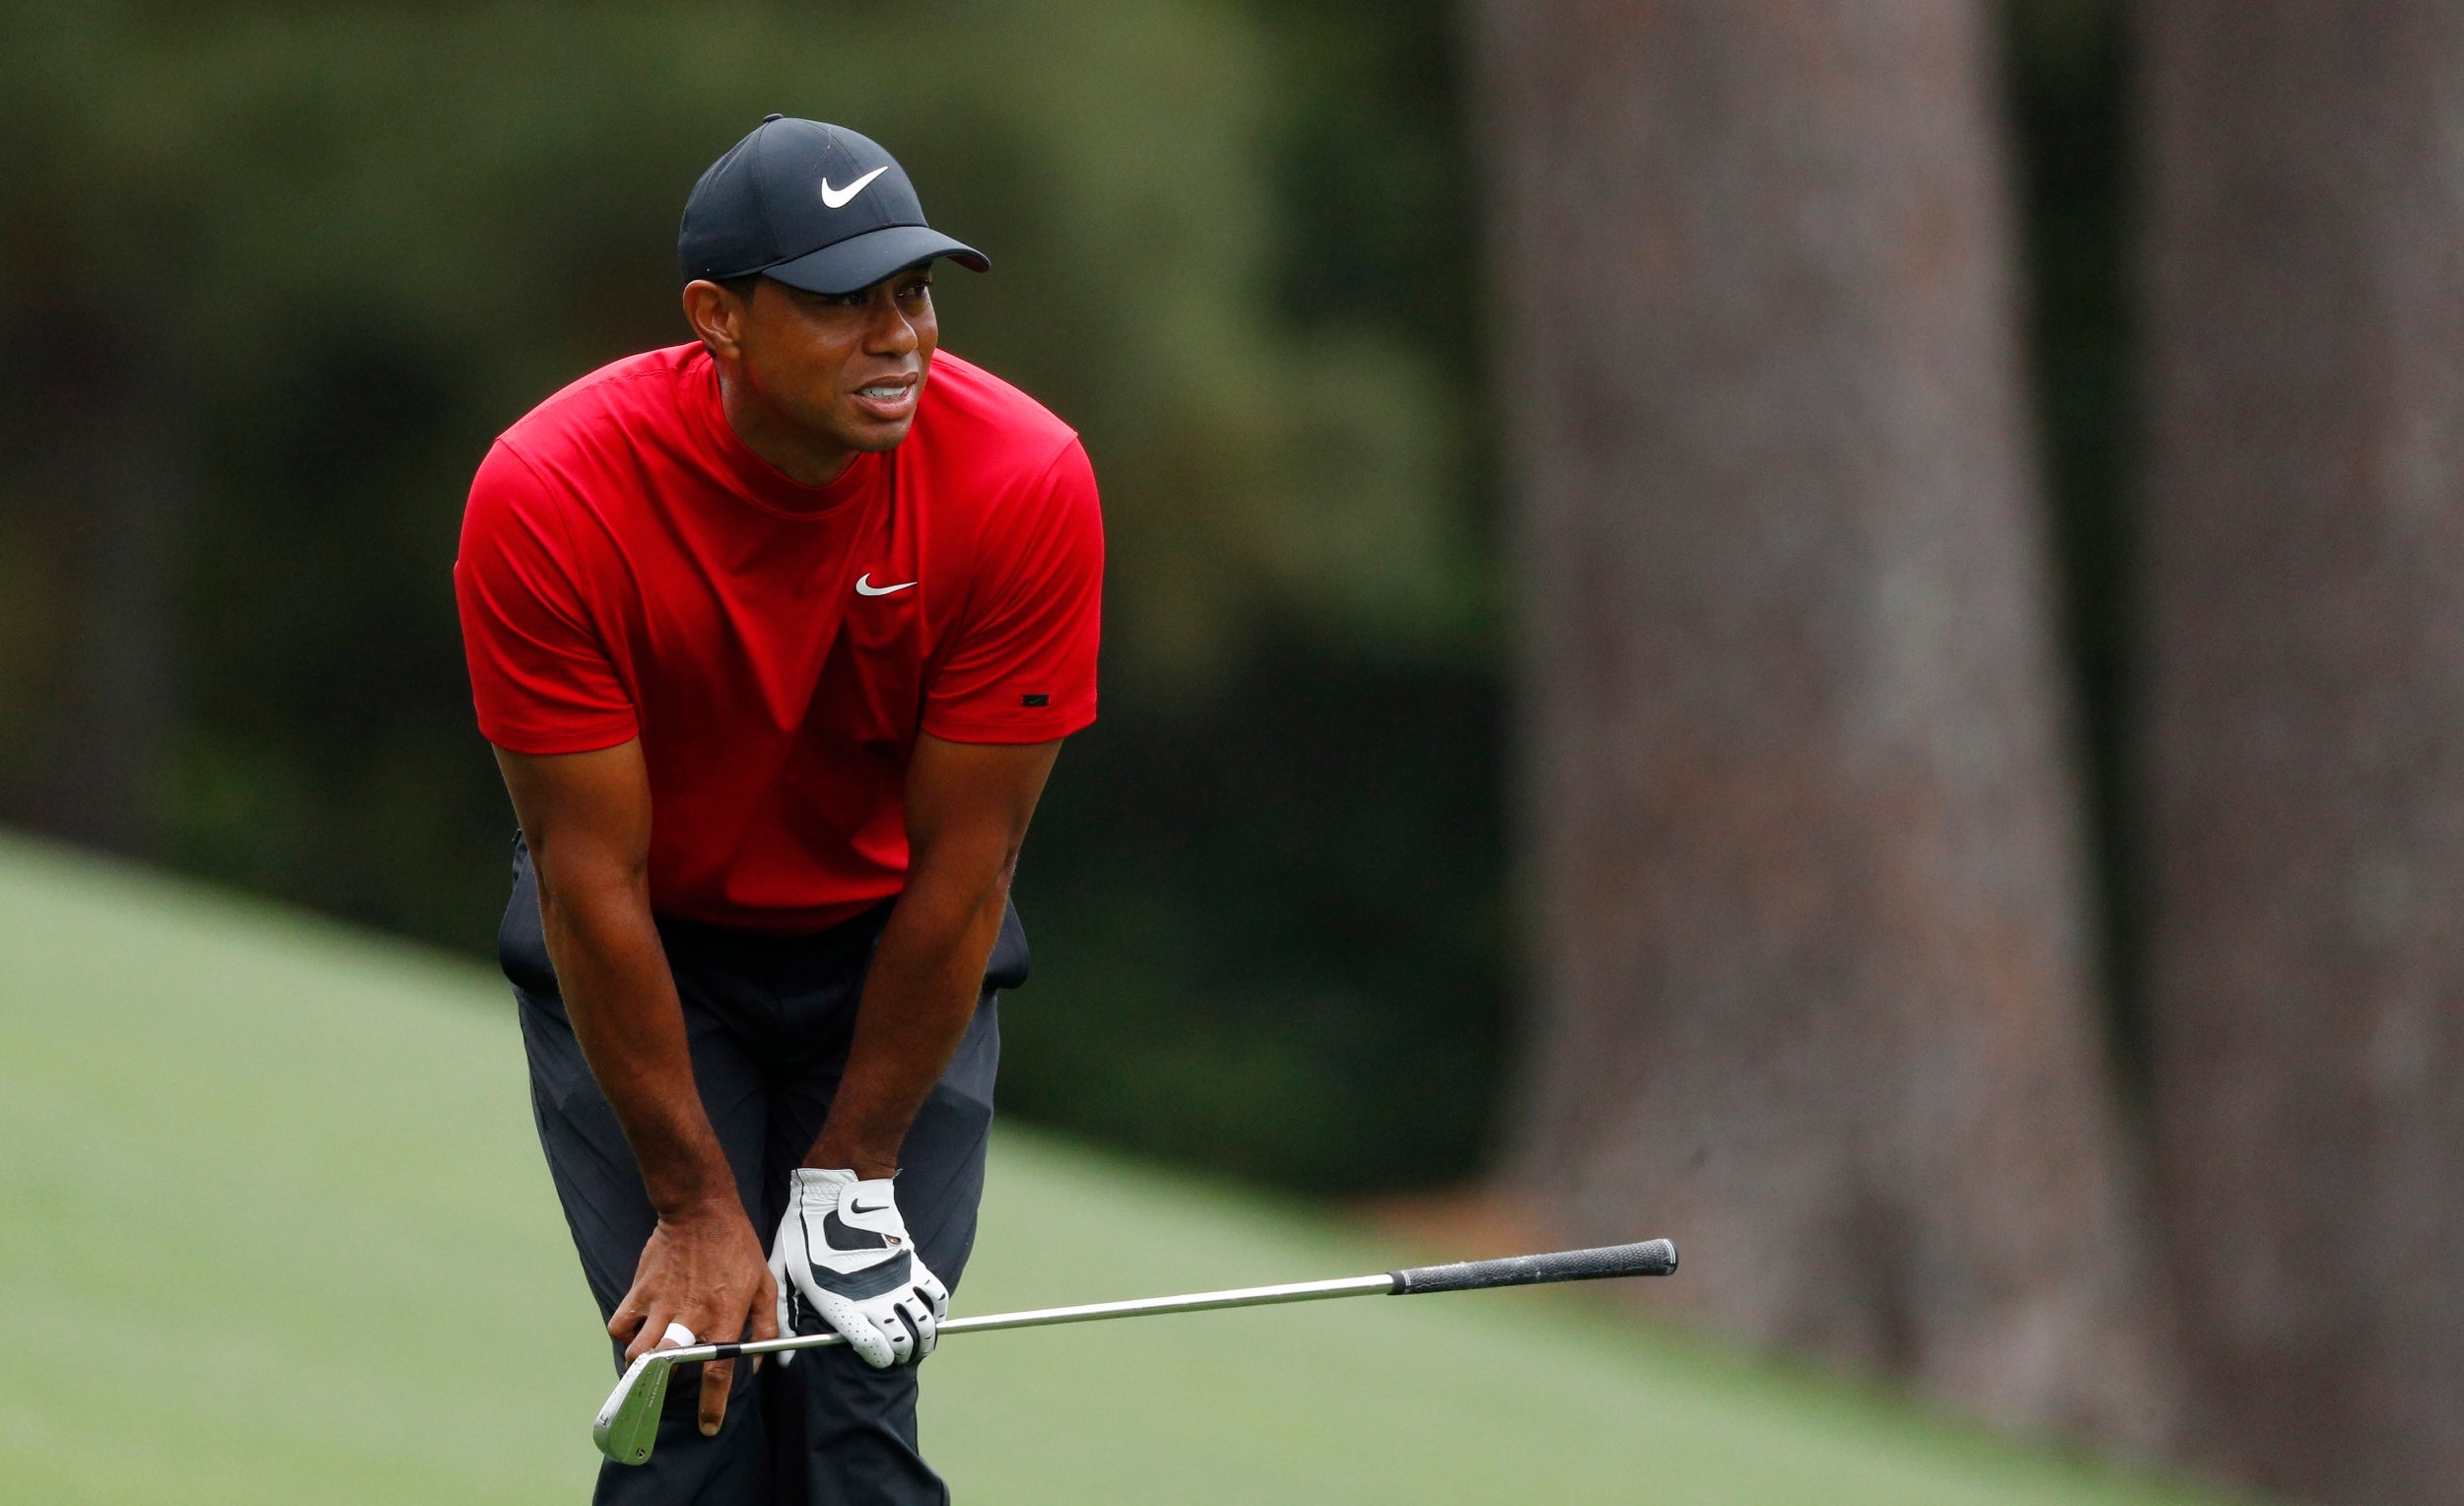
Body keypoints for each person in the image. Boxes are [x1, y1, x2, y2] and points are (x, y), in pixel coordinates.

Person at [453, 115, 1103, 1503]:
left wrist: (854, 1174)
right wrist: (696, 1205)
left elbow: (969, 866)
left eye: (913, 293)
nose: (898, 337)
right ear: (720, 320)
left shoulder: (1022, 477)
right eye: (842, 301)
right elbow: (588, 880)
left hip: (894, 955)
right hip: (653, 957)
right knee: (702, 1401)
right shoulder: (554, 490)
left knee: (853, 1415)